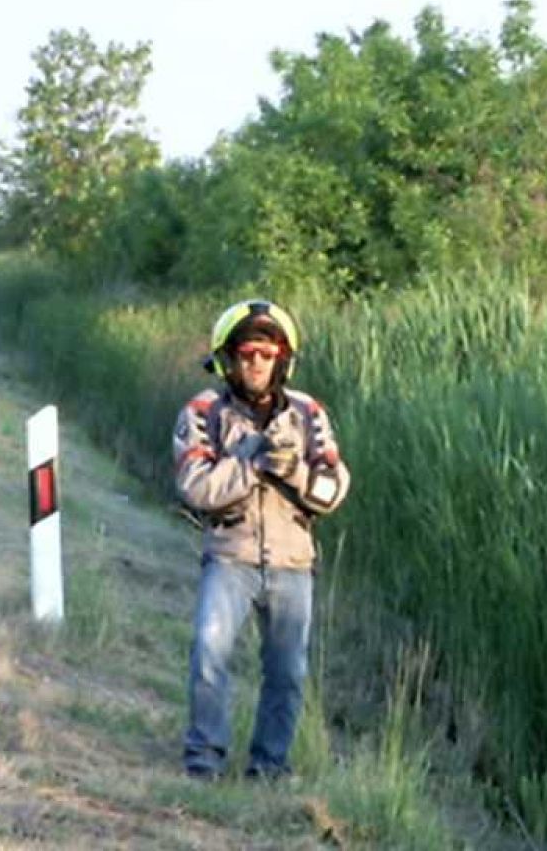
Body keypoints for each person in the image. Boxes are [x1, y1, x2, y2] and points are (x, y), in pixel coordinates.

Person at [173, 299, 351, 781]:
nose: (256, 363)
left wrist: (292, 469)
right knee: (209, 652)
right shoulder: (203, 411)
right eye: (247, 353)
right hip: (230, 555)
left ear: (282, 360)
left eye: (267, 354)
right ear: (227, 358)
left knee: (288, 673)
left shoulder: (309, 413)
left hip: (293, 562)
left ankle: (270, 768)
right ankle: (203, 761)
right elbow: (196, 486)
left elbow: (333, 490)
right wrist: (253, 461)